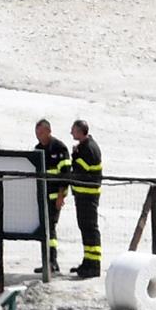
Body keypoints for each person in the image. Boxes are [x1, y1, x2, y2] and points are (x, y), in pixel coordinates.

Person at [32, 119, 71, 274]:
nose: (38, 136)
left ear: (49, 131)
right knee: (45, 228)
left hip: (55, 196)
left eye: (41, 133)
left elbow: (66, 173)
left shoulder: (59, 148)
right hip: (42, 196)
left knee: (51, 228)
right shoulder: (37, 149)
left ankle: (52, 261)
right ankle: (46, 260)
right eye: (36, 133)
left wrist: (61, 196)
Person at [69, 120, 103, 279]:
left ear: (81, 131)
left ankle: (94, 265)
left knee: (90, 229)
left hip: (88, 196)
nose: (71, 133)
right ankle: (88, 261)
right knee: (85, 229)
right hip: (83, 195)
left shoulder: (88, 148)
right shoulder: (86, 146)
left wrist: (74, 155)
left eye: (73, 130)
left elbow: (79, 169)